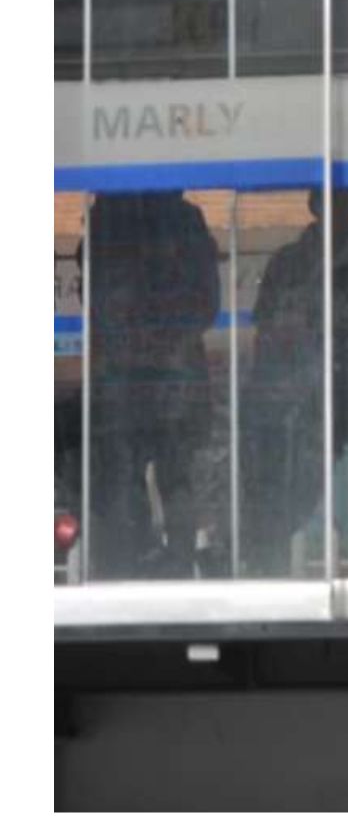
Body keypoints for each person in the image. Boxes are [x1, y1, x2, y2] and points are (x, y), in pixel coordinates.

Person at [86, 191, 221, 578]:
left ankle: (172, 561)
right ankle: (132, 561)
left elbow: (205, 303)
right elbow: (98, 297)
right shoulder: (109, 217)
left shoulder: (181, 221)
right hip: (133, 375)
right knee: (128, 475)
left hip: (166, 373)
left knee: (171, 471)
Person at [242, 187, 348, 577]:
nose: (336, 209)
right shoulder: (290, 262)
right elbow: (266, 334)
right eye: (327, 201)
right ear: (314, 205)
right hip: (297, 403)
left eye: (345, 200)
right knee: (294, 497)